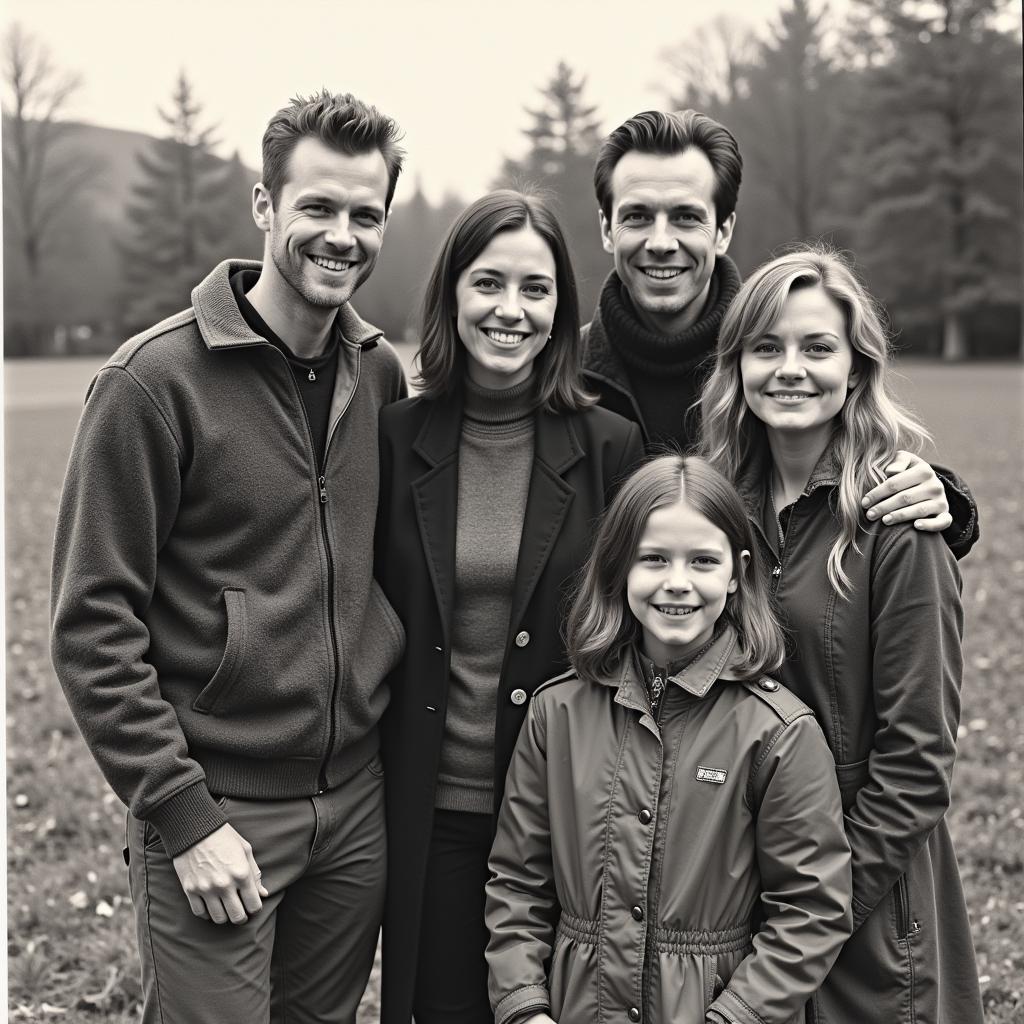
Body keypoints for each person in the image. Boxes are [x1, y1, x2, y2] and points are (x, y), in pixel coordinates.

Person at [50, 91, 408, 1024]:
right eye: (317, 208)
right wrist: (183, 814)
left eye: (364, 215)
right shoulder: (150, 384)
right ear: (263, 205)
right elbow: (92, 626)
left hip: (355, 807)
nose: (341, 235)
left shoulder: (379, 375)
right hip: (218, 808)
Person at [375, 189, 644, 1024]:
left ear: (561, 310)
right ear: (452, 293)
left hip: (565, 817)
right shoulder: (391, 438)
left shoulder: (609, 446)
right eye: (489, 283)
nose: (510, 310)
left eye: (535, 290)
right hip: (433, 814)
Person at [698, 247, 984, 1023]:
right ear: (738, 368)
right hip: (734, 885)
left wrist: (816, 909)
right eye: (767, 347)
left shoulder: (899, 523)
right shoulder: (714, 511)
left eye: (817, 347)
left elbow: (917, 762)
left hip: (867, 902)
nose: (791, 369)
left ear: (856, 370)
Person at [485, 455, 854, 1024]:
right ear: (618, 570)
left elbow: (811, 910)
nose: (677, 583)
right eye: (653, 559)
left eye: (703, 561)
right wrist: (525, 1007)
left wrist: (734, 1015)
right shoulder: (555, 713)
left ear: (736, 573)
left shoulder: (778, 734)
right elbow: (517, 883)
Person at [582, 108, 979, 557]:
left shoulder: (773, 367)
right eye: (636, 216)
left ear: (723, 230)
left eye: (686, 217)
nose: (661, 241)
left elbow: (853, 460)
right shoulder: (559, 373)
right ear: (606, 229)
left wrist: (943, 498)